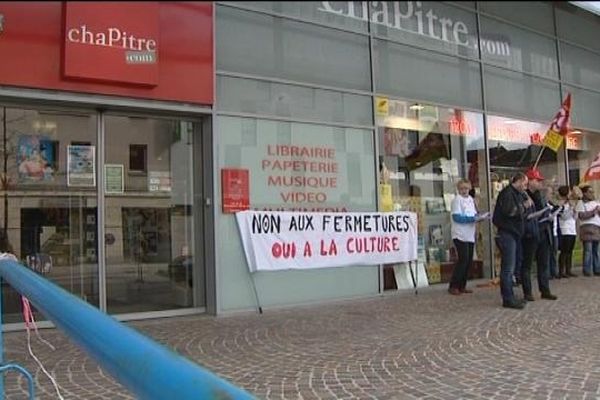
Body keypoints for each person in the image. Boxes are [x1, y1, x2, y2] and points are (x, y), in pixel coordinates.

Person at [492, 172, 529, 309]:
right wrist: (523, 206)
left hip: (514, 233)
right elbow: (510, 211)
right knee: (507, 268)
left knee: (512, 266)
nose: (525, 188)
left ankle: (511, 295)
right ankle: (507, 298)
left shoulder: (518, 194)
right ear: (518, 181)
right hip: (507, 233)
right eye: (524, 184)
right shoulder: (507, 193)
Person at [448, 179, 488, 295]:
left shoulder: (471, 200)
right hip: (459, 234)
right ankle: (454, 285)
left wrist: (480, 217)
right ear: (458, 189)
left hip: (470, 234)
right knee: (463, 259)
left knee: (469, 260)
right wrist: (473, 219)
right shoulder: (457, 200)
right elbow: (457, 217)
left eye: (466, 188)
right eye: (462, 189)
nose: (464, 191)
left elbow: (473, 213)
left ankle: (462, 285)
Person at [522, 168, 557, 301]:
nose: (539, 183)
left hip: (543, 231)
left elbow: (544, 210)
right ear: (530, 181)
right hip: (531, 233)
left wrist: (549, 216)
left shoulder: (540, 195)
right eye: (537, 180)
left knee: (543, 264)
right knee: (528, 264)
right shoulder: (523, 195)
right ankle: (528, 292)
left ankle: (545, 289)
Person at [576, 185, 600, 276]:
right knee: (588, 250)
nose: (592, 194)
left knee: (596, 251)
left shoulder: (596, 202)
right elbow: (581, 216)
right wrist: (593, 212)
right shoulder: (581, 203)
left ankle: (597, 268)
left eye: (592, 192)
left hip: (597, 228)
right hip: (587, 229)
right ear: (585, 193)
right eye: (590, 192)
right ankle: (587, 269)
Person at [557, 185, 578, 278]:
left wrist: (574, 210)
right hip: (565, 229)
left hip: (572, 229)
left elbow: (575, 217)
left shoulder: (571, 204)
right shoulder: (562, 204)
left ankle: (568, 269)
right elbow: (564, 216)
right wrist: (569, 208)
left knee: (570, 251)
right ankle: (561, 271)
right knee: (564, 251)